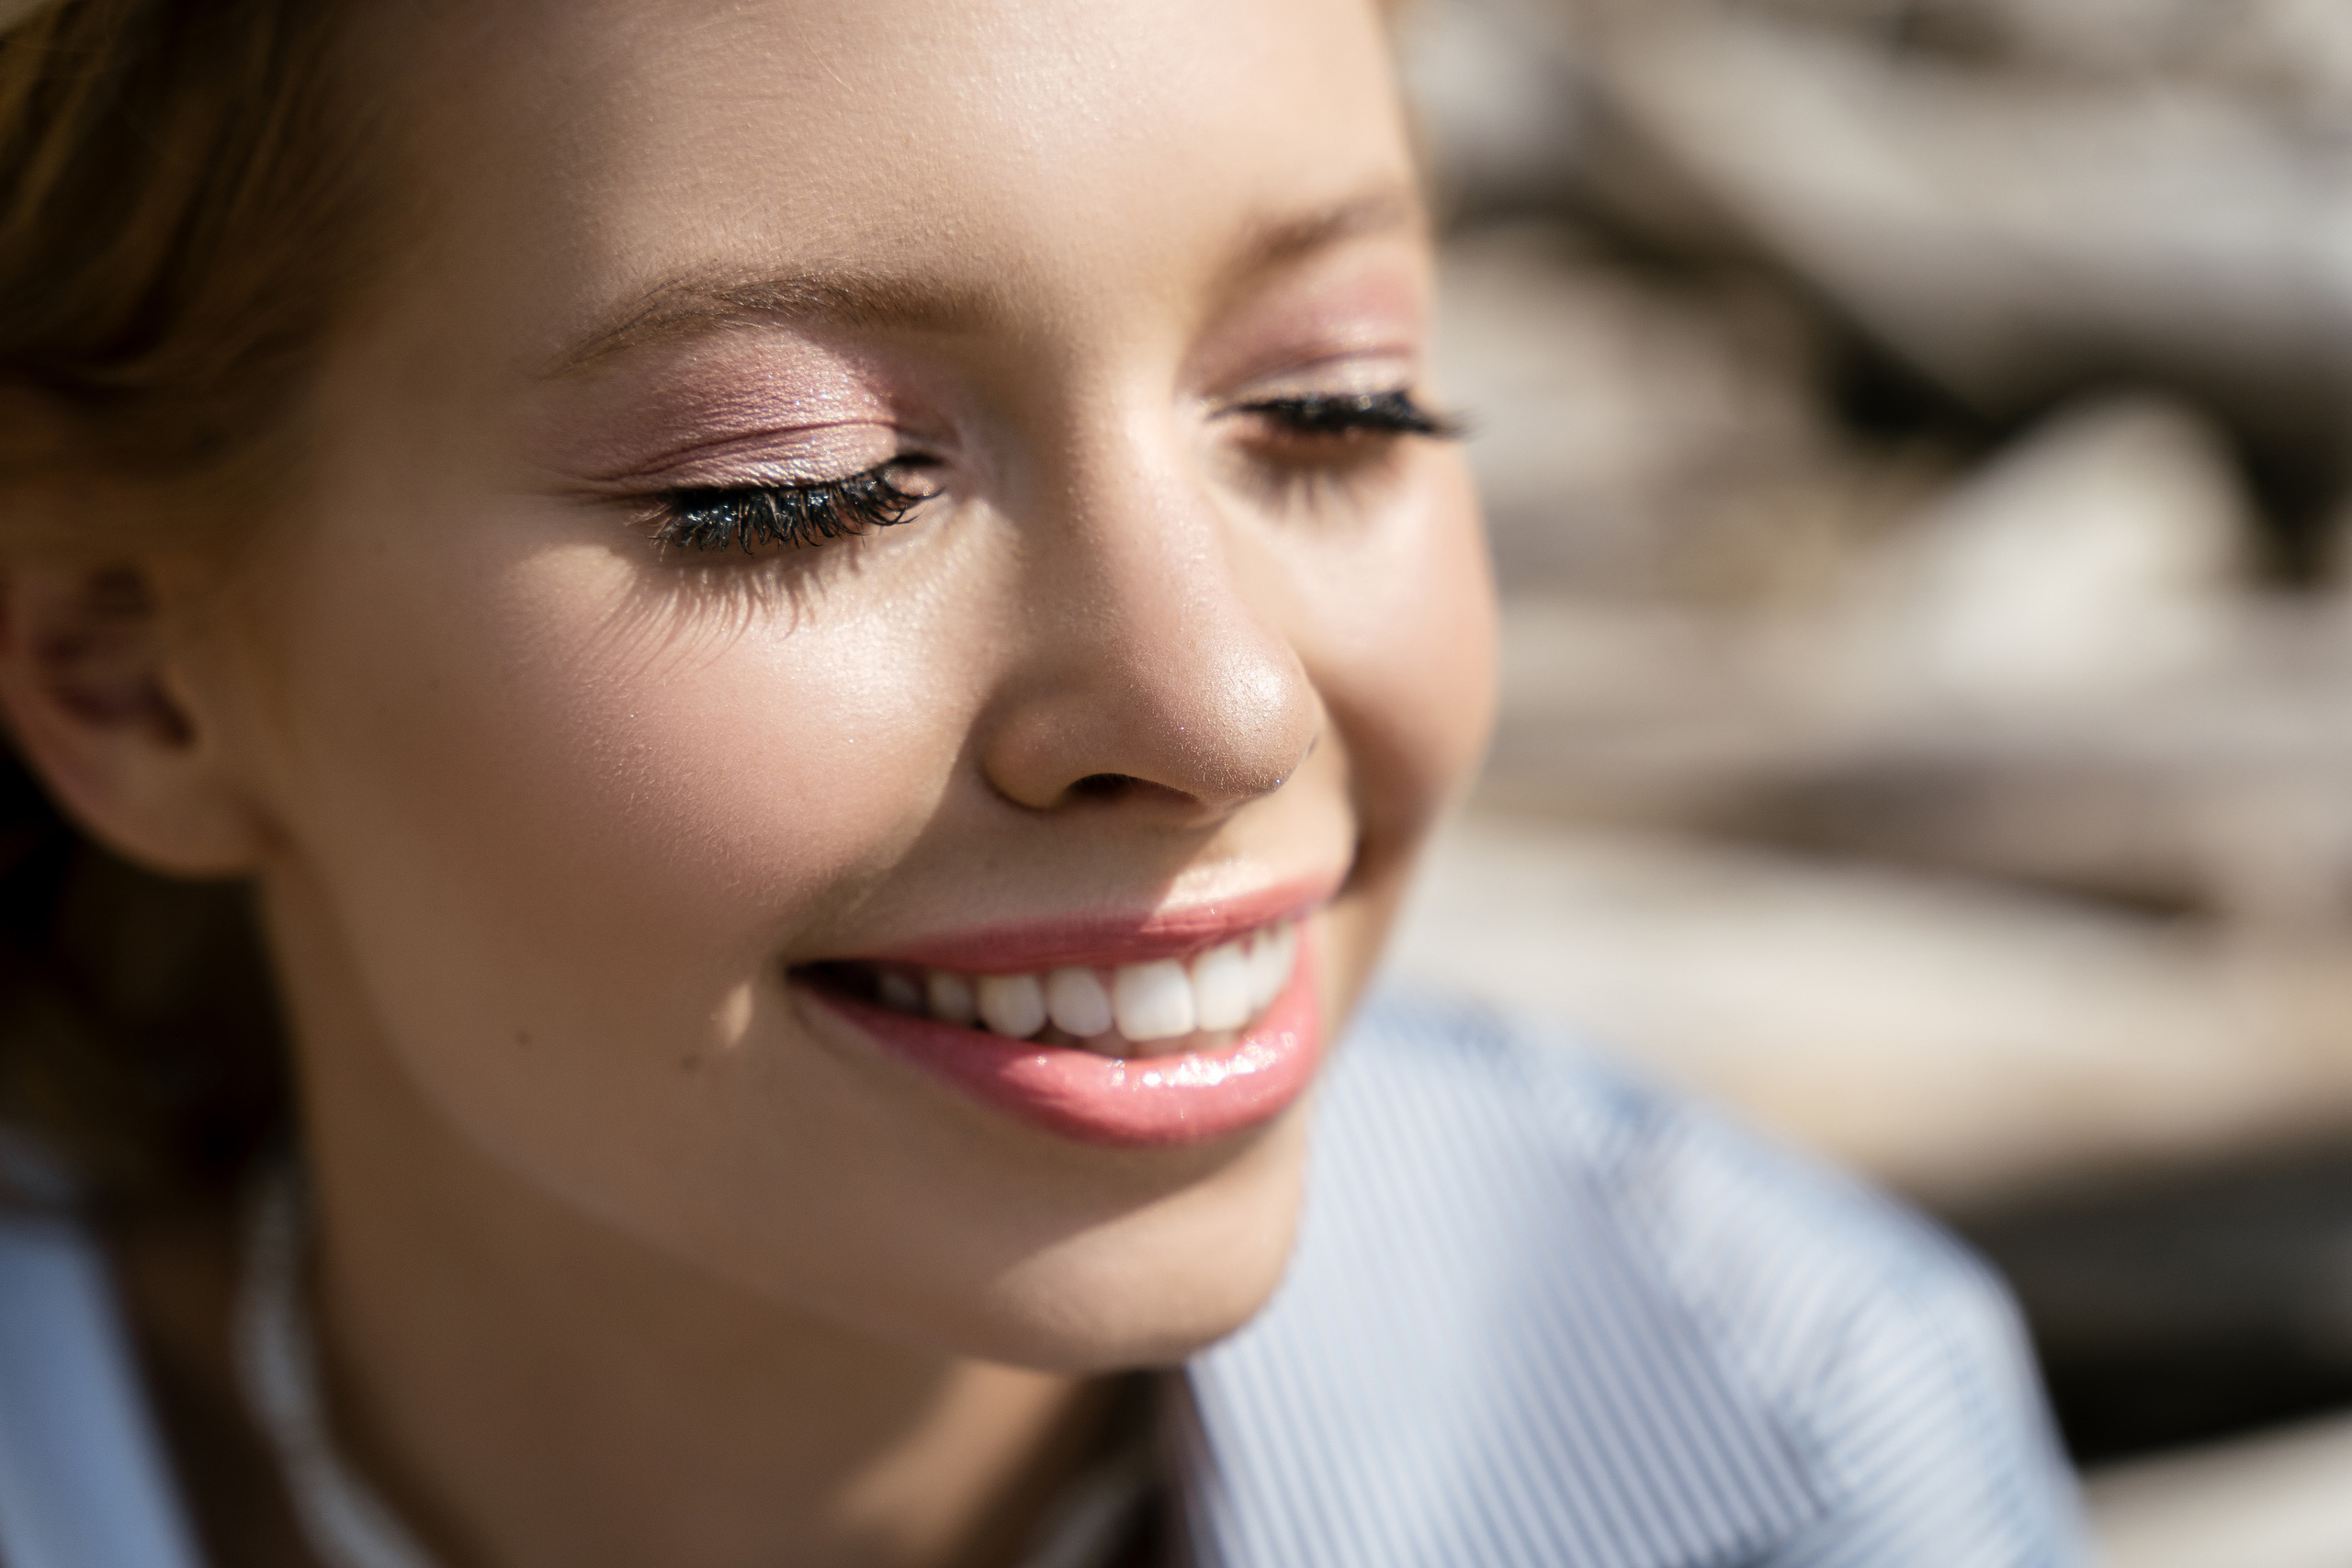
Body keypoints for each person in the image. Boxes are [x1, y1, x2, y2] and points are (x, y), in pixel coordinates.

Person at [0, 1, 2087, 1563]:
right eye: (790, 491)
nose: (1219, 701)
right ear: (128, 674)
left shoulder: (1772, 1454)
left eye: (1327, 407)